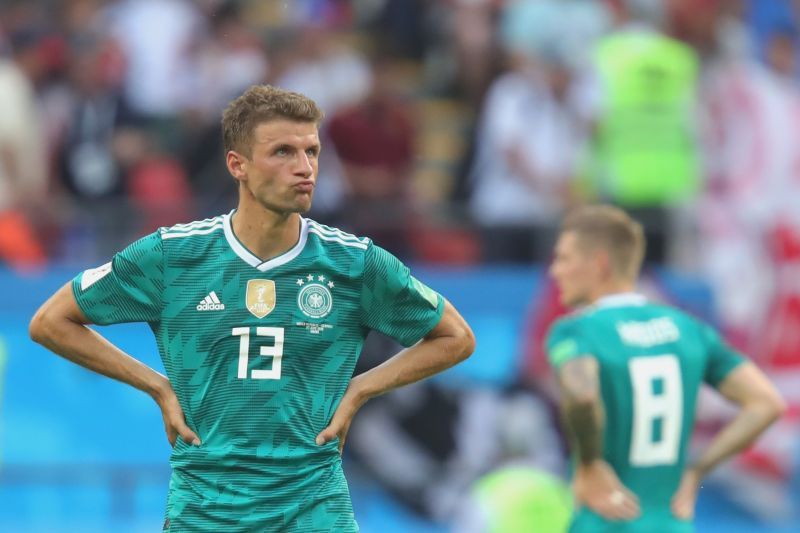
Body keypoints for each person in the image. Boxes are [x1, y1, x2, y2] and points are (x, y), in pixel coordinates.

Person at [29, 84, 476, 532]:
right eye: (283, 152)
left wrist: (360, 390)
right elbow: (52, 321)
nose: (305, 168)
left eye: (312, 151)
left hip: (313, 512)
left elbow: (455, 337)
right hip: (205, 514)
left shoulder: (352, 262)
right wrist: (157, 387)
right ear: (236, 165)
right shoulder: (174, 256)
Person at [544, 204, 785, 532]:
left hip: (606, 520)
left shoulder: (576, 330)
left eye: (564, 258)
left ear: (599, 263)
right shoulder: (687, 328)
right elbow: (766, 403)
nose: (556, 271)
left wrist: (590, 464)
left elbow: (582, 396)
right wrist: (697, 471)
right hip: (671, 522)